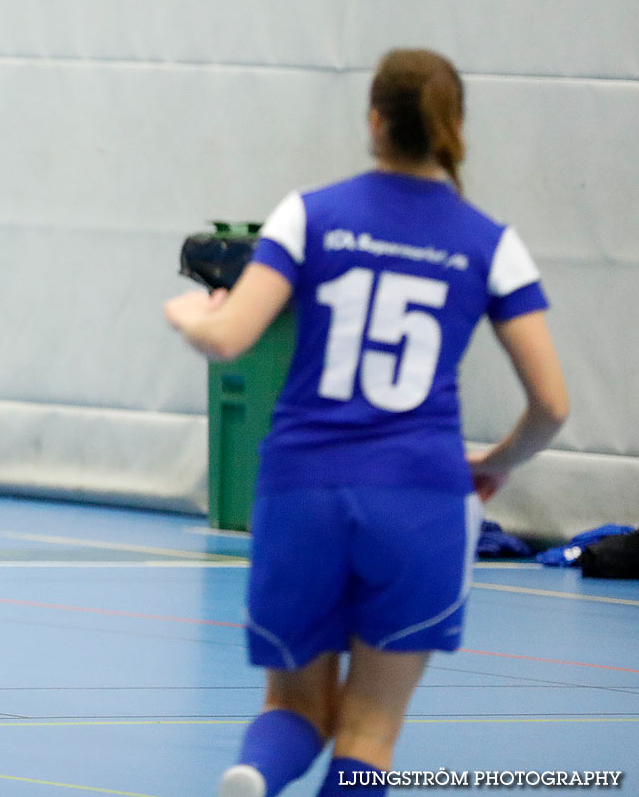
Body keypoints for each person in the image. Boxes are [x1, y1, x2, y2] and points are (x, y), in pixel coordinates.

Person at [164, 48, 569, 797]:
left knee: (294, 706)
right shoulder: (491, 242)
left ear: (374, 120)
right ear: (453, 128)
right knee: (368, 734)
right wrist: (499, 460)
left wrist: (191, 314)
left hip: (302, 487)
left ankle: (255, 771)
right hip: (421, 494)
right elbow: (552, 405)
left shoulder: (311, 214)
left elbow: (229, 338)